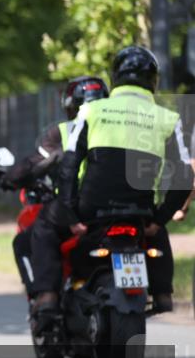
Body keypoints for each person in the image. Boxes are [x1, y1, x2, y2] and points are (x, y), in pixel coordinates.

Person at [35, 46, 194, 326]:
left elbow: (70, 168)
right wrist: (159, 218)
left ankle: (47, 296)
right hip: (140, 212)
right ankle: (162, 292)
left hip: (91, 211)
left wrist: (71, 217)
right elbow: (183, 178)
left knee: (44, 225)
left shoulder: (91, 110)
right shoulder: (168, 119)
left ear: (116, 77)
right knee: (159, 234)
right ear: (153, 80)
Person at [3, 76, 109, 296]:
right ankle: (162, 291)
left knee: (29, 238)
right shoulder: (118, 127)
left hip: (76, 207)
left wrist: (8, 179)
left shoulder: (62, 132)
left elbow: (31, 165)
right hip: (115, 204)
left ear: (70, 106)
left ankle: (47, 299)